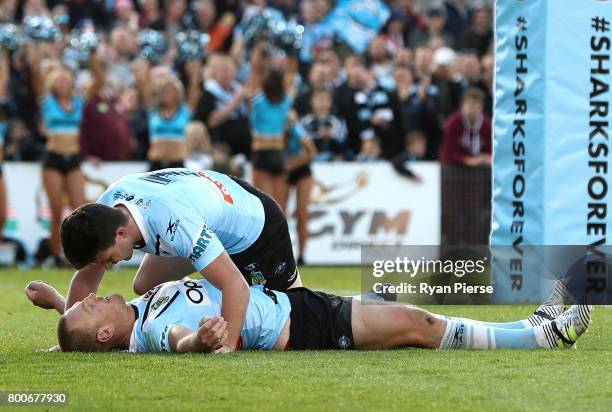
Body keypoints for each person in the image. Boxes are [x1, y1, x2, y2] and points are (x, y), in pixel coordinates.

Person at [59, 168, 303, 353]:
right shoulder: (104, 212)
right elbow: (85, 282)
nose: (108, 266)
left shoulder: (173, 222)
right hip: (212, 203)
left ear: (121, 234)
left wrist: (224, 347)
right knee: (144, 285)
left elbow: (234, 286)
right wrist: (75, 339)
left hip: (257, 227)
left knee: (294, 307)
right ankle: (206, 285)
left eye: (106, 260)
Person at [25, 278, 592, 353]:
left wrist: (56, 305)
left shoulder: (138, 305)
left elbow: (76, 335)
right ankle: (543, 337)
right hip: (305, 327)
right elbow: (179, 340)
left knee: (415, 314)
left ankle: (529, 326)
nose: (95, 294)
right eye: (91, 304)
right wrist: (203, 338)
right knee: (421, 325)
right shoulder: (152, 326)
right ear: (105, 330)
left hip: (294, 300)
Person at [30, 43, 105, 266]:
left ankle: (82, 254)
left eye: (66, 79)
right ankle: (55, 255)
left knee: (80, 210)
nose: (63, 82)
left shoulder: (78, 102)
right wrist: (37, 46)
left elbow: (99, 81)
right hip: (52, 158)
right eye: (59, 79)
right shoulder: (48, 101)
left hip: (72, 159)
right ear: (53, 83)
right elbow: (34, 73)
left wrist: (92, 54)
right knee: (55, 209)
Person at [247, 42, 298, 203]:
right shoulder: (286, 102)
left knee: (265, 207)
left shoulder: (258, 101)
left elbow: (254, 72)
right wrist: (291, 48)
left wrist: (257, 48)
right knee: (280, 209)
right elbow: (292, 75)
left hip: (261, 153)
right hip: (279, 153)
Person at [133, 59, 202, 172]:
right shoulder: (154, 111)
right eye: (164, 90)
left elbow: (194, 89)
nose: (166, 93)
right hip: (155, 164)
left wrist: (194, 73)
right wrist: (146, 64)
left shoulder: (184, 112)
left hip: (178, 164)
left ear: (177, 92)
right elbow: (145, 88)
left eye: (170, 90)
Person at [279, 118, 317, 266]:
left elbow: (312, 152)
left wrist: (292, 164)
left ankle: (302, 256)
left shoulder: (296, 130)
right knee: (280, 213)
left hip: (301, 169)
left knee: (302, 213)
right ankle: (283, 254)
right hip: (285, 169)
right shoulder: (273, 131)